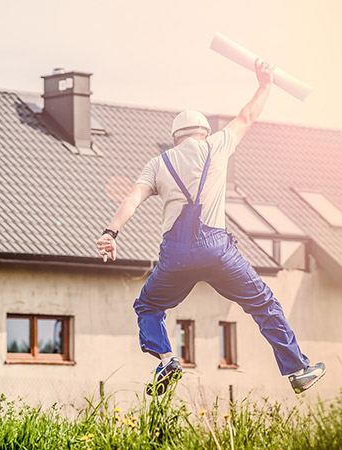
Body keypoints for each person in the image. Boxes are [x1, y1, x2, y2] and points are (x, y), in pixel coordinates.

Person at [96, 59, 325, 395]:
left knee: (148, 306)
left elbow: (132, 197)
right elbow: (247, 116)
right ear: (203, 132)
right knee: (263, 304)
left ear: (175, 138)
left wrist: (110, 233)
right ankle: (298, 369)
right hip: (218, 252)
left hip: (175, 257)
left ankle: (166, 360)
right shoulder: (216, 146)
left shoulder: (158, 163)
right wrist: (265, 84)